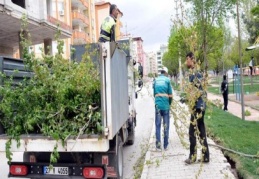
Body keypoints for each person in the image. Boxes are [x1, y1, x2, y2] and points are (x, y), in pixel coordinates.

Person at [184, 52, 209, 164]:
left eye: (187, 59)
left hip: (198, 106)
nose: (186, 62)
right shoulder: (194, 72)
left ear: (192, 60)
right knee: (201, 131)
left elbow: (200, 90)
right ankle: (205, 156)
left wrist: (191, 96)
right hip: (198, 105)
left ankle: (193, 156)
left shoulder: (196, 73)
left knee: (192, 131)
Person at [153, 67, 173, 151]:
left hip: (158, 106)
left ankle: (158, 146)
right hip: (165, 106)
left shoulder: (155, 80)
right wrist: (169, 104)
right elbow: (170, 95)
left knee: (157, 126)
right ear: (165, 73)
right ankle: (165, 146)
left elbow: (154, 94)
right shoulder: (167, 80)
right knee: (166, 126)